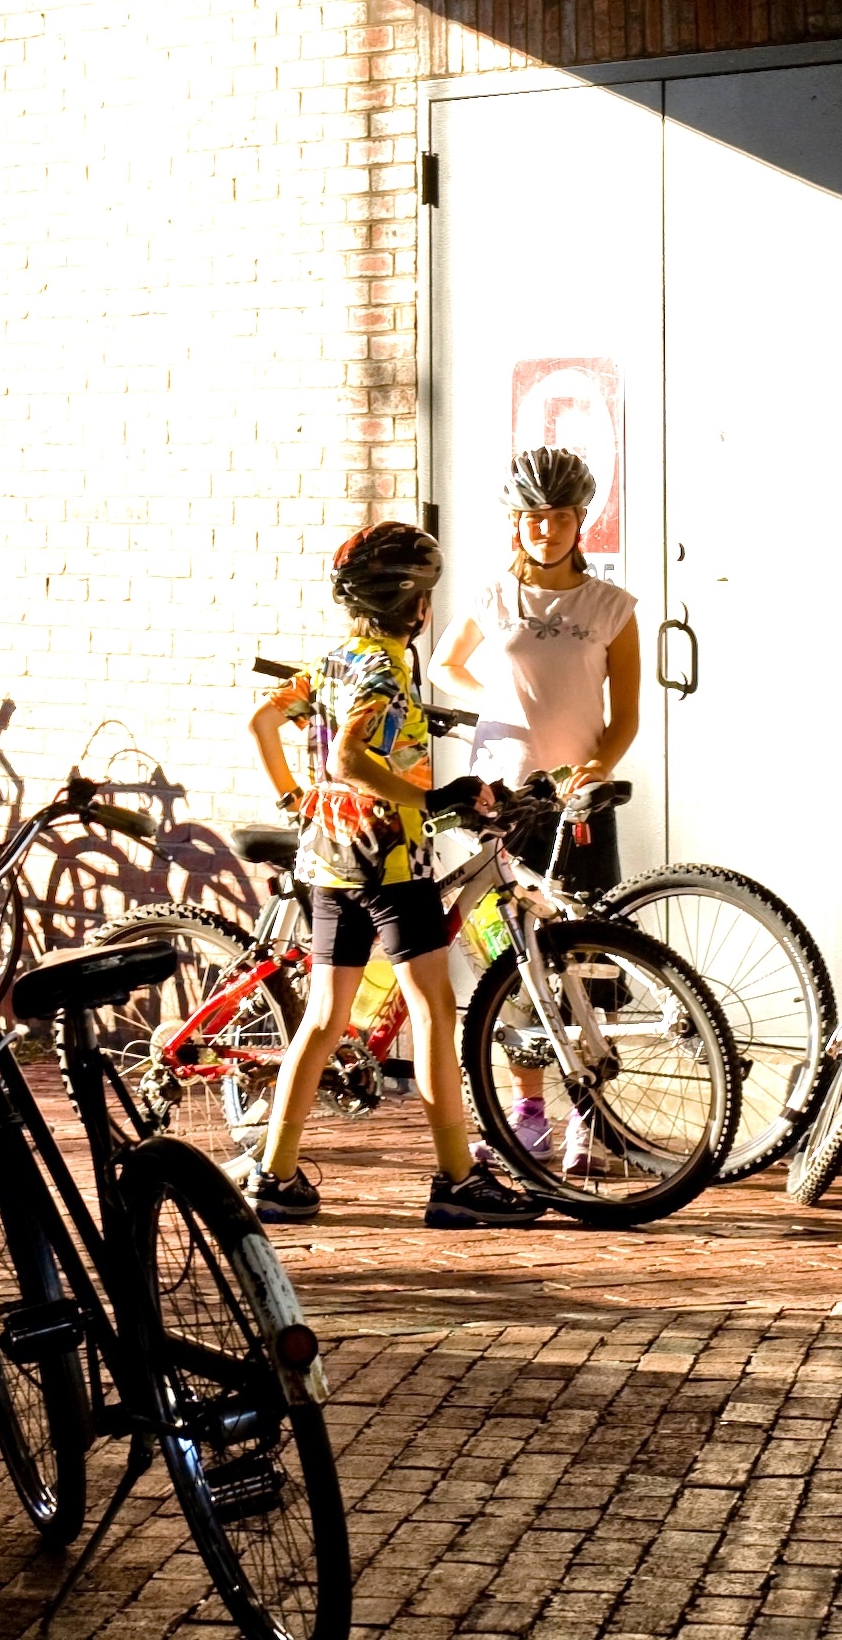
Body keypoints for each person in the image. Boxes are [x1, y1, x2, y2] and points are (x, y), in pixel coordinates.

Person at [238, 521, 546, 1230]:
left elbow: (262, 719)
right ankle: (457, 1181)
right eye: (426, 594)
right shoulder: (380, 668)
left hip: (326, 858)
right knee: (437, 1011)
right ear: (410, 603)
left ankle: (276, 1177)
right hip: (388, 858)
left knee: (321, 1018)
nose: (429, 608)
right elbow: (350, 758)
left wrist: (294, 800)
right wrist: (431, 798)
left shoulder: (336, 659)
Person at [430, 444, 642, 1167]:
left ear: (581, 522)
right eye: (532, 517)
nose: (545, 529)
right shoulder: (495, 596)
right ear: (515, 524)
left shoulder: (611, 607)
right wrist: (489, 700)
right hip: (502, 797)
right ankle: (526, 1113)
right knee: (511, 964)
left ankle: (589, 1114)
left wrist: (596, 767)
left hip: (576, 801)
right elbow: (443, 664)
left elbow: (626, 716)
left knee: (585, 960)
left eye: (559, 517)